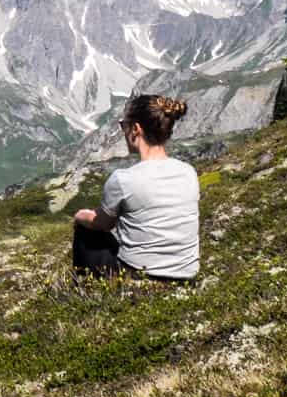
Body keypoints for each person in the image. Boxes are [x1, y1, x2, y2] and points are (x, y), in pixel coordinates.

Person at [71, 95, 199, 283]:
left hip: (140, 275)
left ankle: (85, 291)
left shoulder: (123, 179)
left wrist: (80, 215)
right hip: (187, 275)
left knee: (85, 229)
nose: (123, 132)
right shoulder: (189, 172)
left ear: (136, 129)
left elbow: (103, 224)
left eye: (124, 126)